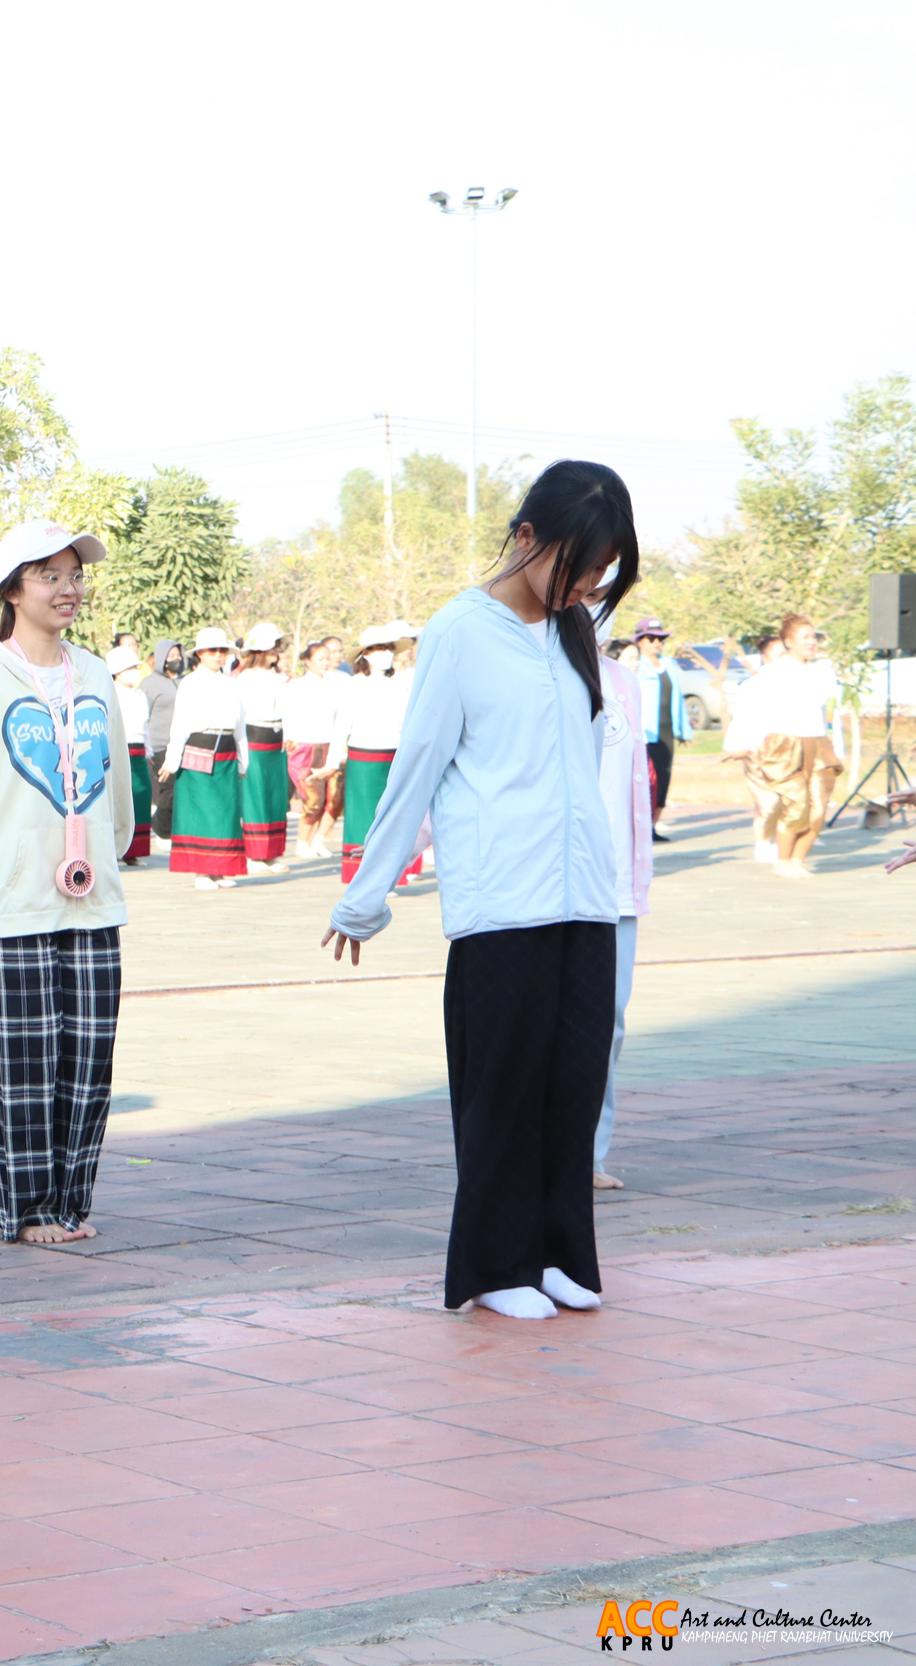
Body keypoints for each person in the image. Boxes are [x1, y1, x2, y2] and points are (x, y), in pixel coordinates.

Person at [324, 458, 638, 1321]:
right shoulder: (461, 630)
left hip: (585, 899)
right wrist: (366, 895)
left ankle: (561, 1255)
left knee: (573, 1087)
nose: (584, 586)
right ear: (525, 537)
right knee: (502, 1092)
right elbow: (417, 767)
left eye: (600, 574)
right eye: (575, 566)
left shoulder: (575, 632)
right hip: (502, 903)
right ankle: (498, 1266)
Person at [0, 521, 130, 1246]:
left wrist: (110, 858)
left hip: (92, 896)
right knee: (19, 1063)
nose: (68, 587)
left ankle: (71, 1200)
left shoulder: (97, 673)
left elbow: (116, 788)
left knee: (86, 1061)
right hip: (9, 898)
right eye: (49, 574)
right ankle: (27, 1208)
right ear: (12, 588)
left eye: (74, 574)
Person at [592, 631, 654, 1193]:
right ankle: (540, 1152)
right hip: (552, 884)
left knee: (606, 1022)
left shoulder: (624, 682)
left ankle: (588, 1154)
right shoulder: (528, 672)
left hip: (617, 887)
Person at [743, 614, 842, 878]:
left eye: (814, 637)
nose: (812, 642)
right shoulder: (773, 672)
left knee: (819, 807)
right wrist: (749, 743)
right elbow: (754, 710)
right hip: (785, 743)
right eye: (805, 637)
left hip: (817, 742)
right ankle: (784, 859)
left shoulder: (821, 671)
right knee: (796, 805)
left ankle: (798, 858)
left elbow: (828, 708)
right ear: (788, 641)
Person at [161, 628, 249, 890]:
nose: (218, 655)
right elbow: (180, 724)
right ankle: (202, 870)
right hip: (198, 748)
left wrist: (245, 759)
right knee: (201, 811)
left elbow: (241, 725)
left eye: (223, 651)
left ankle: (221, 869)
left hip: (226, 749)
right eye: (213, 651)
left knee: (225, 811)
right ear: (200, 653)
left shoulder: (232, 683)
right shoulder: (190, 683)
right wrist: (171, 759)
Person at [335, 625, 417, 886]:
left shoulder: (401, 684)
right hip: (363, 755)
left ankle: (389, 876)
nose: (384, 654)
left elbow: (408, 723)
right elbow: (342, 725)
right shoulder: (354, 685)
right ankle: (360, 874)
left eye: (388, 649)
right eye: (378, 649)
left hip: (394, 755)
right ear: (365, 655)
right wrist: (334, 759)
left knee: (393, 816)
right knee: (362, 815)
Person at [723, 634, 785, 861]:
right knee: (768, 801)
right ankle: (763, 841)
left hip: (785, 752)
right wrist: (738, 747)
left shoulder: (793, 685)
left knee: (786, 800)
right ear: (765, 657)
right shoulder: (752, 687)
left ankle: (779, 840)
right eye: (778, 654)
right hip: (756, 751)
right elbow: (741, 719)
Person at [235, 624, 292, 872]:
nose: (276, 653)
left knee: (275, 796)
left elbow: (287, 710)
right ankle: (253, 853)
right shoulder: (243, 679)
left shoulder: (279, 678)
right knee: (255, 795)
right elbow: (240, 715)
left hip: (276, 740)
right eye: (272, 648)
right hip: (254, 736)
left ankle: (272, 852)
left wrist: (290, 734)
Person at [285, 637, 347, 860]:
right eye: (320, 659)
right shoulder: (296, 686)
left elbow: (342, 718)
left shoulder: (337, 684)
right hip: (304, 746)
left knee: (335, 797)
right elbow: (287, 716)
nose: (325, 662)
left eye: (327, 658)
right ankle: (303, 841)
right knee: (313, 798)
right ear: (308, 661)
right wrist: (289, 738)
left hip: (330, 745)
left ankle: (318, 839)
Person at [630, 621, 689, 842]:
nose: (657, 644)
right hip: (645, 732)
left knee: (663, 778)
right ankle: (640, 826)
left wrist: (683, 730)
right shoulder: (636, 666)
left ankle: (653, 826)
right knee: (646, 780)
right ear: (640, 641)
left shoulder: (668, 664)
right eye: (651, 639)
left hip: (666, 730)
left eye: (660, 639)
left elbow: (678, 697)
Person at [109, 644, 153, 864]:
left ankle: (134, 851)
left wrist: (149, 750)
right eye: (129, 668)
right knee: (119, 800)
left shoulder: (140, 695)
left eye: (135, 667)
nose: (134, 672)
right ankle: (117, 848)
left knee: (141, 798)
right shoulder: (110, 693)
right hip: (120, 749)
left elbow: (145, 725)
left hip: (139, 749)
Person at [140, 639, 182, 848]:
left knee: (178, 788)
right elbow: (142, 713)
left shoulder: (181, 681)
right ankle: (161, 828)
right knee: (168, 789)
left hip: (180, 742)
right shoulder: (149, 683)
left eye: (178, 655)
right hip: (159, 743)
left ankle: (170, 828)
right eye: (172, 656)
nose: (177, 659)